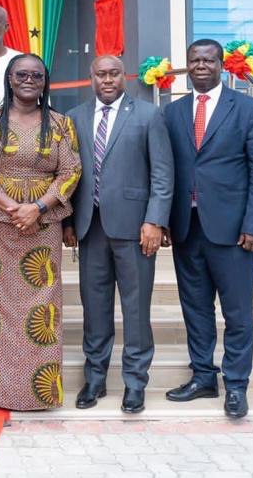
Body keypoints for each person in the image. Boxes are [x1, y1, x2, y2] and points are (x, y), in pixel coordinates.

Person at [162, 38, 253, 419]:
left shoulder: (248, 109)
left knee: (237, 311)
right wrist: (161, 220)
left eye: (208, 60)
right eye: (194, 61)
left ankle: (236, 384)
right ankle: (203, 376)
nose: (201, 66)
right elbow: (165, 170)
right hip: (186, 226)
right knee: (195, 308)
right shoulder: (172, 112)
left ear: (222, 65)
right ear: (187, 66)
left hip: (234, 230)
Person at [0, 53, 81, 411]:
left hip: (44, 227)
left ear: (45, 81)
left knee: (42, 307)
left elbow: (71, 171)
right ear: (10, 79)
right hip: (1, 225)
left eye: (36, 75)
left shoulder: (61, 124)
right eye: (22, 74)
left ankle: (39, 392)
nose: (29, 80)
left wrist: (39, 208)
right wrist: (13, 208)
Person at [63, 55, 174, 414]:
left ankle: (135, 383)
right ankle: (94, 379)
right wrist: (68, 222)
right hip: (89, 227)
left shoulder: (147, 115)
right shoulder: (75, 117)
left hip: (135, 228)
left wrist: (155, 221)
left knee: (136, 309)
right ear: (91, 77)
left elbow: (162, 173)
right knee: (94, 309)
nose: (107, 80)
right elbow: (69, 174)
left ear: (123, 77)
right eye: (100, 74)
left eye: (113, 74)